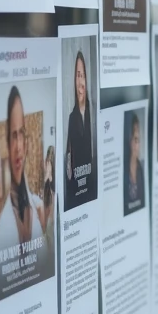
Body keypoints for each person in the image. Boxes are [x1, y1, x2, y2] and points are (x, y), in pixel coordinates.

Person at [0, 87, 44, 288]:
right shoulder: (1, 217)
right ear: (8, 145)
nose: (18, 146)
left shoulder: (32, 209)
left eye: (22, 135)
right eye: (13, 136)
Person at [64, 49, 95, 206]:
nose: (80, 81)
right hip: (78, 199)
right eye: (77, 75)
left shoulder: (94, 114)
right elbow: (69, 165)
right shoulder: (71, 118)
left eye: (82, 76)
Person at [123, 113, 145, 214]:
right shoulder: (122, 172)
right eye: (135, 139)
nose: (137, 145)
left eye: (138, 139)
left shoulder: (142, 169)